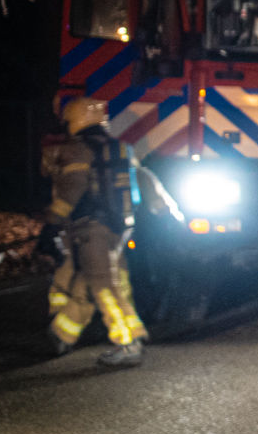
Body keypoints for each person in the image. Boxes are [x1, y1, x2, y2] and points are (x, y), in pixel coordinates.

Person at [42, 97, 181, 367]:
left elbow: (71, 189)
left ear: (76, 119)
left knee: (104, 287)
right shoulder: (120, 148)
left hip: (91, 230)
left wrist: (52, 222)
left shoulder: (78, 150)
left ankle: (128, 343)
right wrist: (168, 212)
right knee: (98, 283)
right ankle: (61, 334)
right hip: (120, 228)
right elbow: (146, 179)